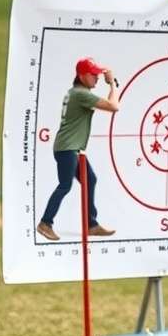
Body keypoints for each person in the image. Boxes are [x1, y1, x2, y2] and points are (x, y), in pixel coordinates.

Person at [37, 58, 119, 241]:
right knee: (65, 185)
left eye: (97, 74)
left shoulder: (76, 92)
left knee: (90, 180)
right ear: (82, 76)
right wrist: (112, 84)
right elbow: (114, 106)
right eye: (93, 75)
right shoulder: (81, 94)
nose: (97, 78)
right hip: (68, 149)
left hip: (71, 148)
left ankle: (92, 225)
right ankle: (45, 223)